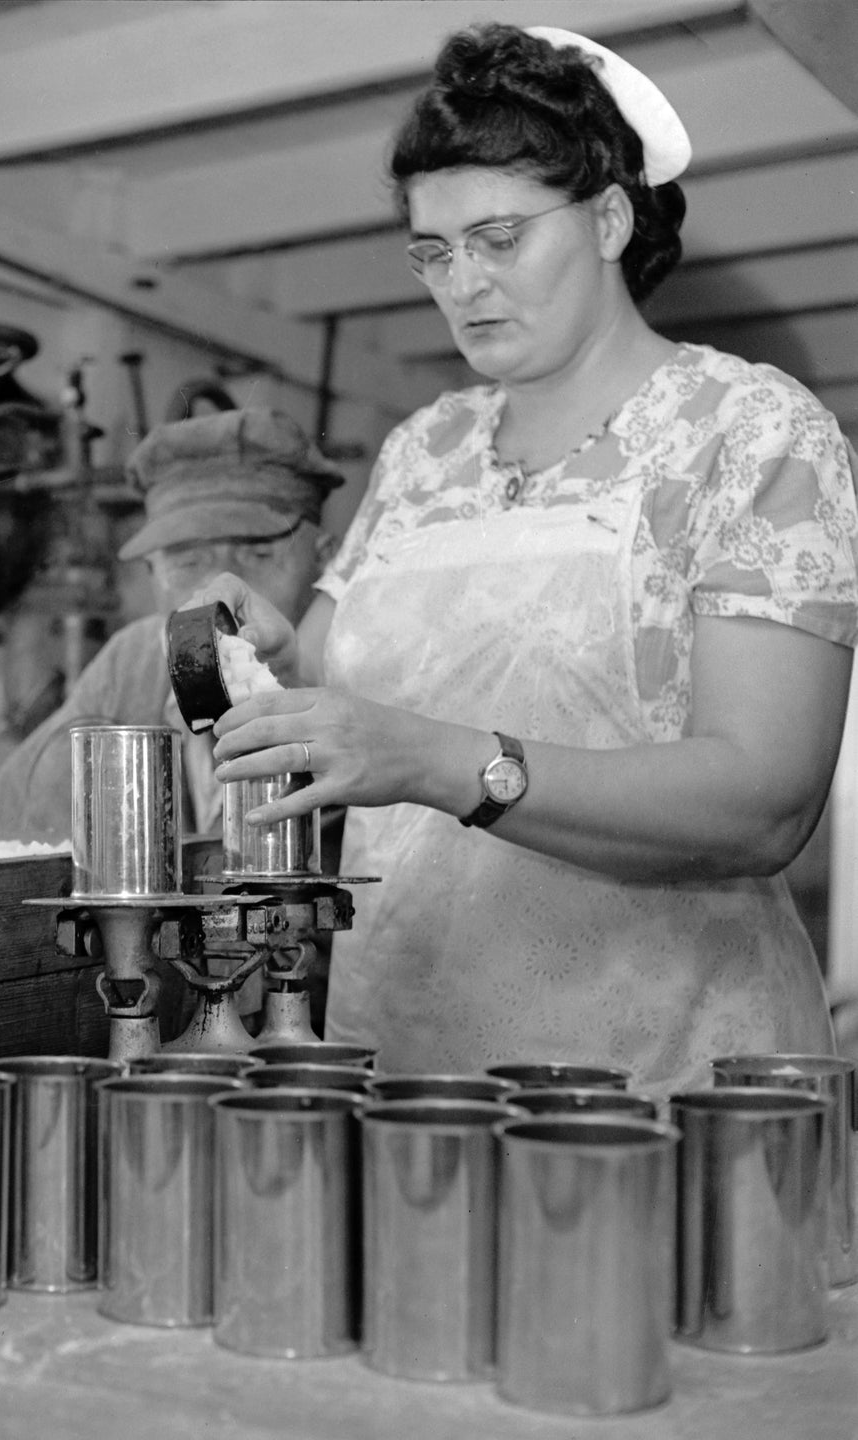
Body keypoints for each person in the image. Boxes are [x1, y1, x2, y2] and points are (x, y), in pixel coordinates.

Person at [190, 23, 858, 1093]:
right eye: (433, 251)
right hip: (405, 1064)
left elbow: (760, 801)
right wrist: (259, 655)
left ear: (605, 217)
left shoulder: (749, 432)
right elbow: (336, 698)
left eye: (498, 239)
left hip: (659, 1082)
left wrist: (436, 761)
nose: (462, 283)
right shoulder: (424, 451)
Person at [0, 406, 342, 837]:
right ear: (151, 575)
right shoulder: (135, 658)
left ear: (326, 561)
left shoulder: (366, 662)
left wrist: (292, 689)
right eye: (187, 560)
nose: (220, 586)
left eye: (258, 554)